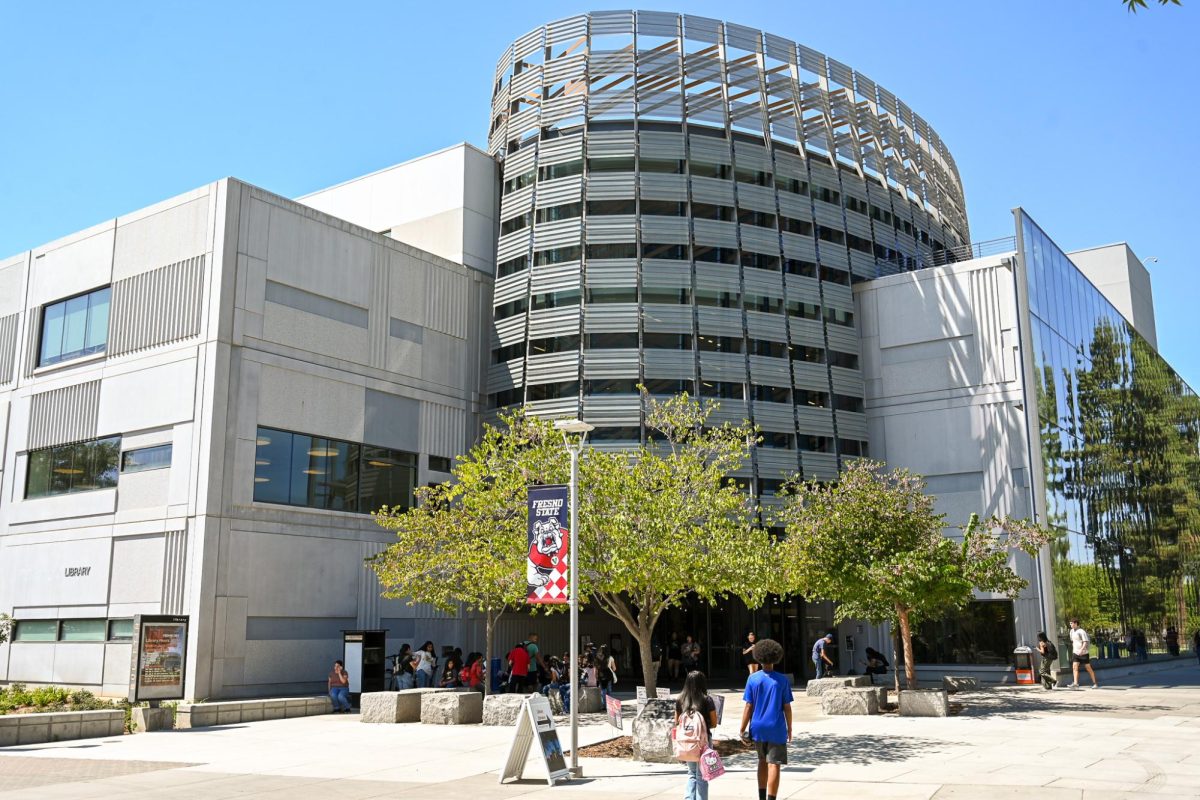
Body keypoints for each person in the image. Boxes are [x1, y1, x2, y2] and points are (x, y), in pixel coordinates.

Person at [739, 638, 792, 800]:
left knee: (762, 761)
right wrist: (789, 728)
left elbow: (748, 706)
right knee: (774, 763)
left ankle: (761, 797)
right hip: (776, 727)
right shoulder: (782, 680)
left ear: (758, 656)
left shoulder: (752, 679)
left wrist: (742, 729)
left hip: (757, 727)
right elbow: (787, 707)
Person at [675, 670, 718, 800]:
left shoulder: (680, 699)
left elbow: (677, 721)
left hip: (687, 742)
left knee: (691, 773)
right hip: (703, 742)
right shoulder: (707, 699)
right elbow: (714, 723)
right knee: (702, 775)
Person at [1068, 619, 1099, 688]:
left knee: (1088, 668)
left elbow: (1085, 641)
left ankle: (1095, 683)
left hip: (1083, 653)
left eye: (1071, 623)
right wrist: (1075, 650)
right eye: (1070, 623)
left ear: (1076, 623)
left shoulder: (1081, 631)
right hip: (1075, 653)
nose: (1070, 625)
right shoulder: (1071, 631)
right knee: (1074, 667)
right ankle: (1076, 683)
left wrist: (1081, 650)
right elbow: (1073, 641)